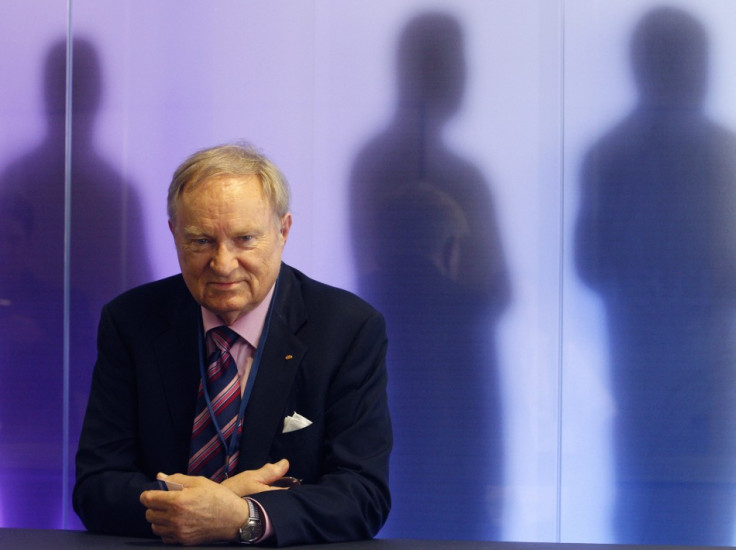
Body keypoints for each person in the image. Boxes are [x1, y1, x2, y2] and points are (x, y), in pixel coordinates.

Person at [73, 143, 392, 546]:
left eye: (244, 239)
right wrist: (201, 507)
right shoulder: (131, 321)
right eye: (201, 241)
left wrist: (244, 517)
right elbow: (96, 488)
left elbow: (364, 496)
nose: (223, 264)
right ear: (174, 234)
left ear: (283, 231)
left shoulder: (348, 328)